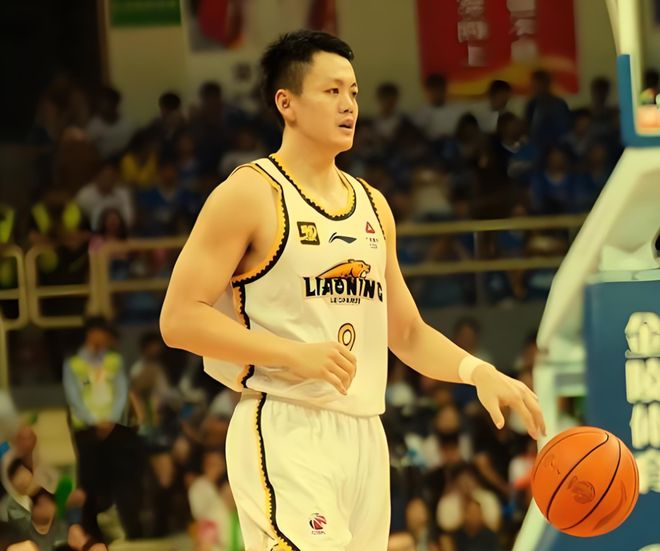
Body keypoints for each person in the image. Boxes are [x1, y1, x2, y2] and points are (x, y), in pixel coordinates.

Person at [160, 30, 545, 550]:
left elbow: (406, 332)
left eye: (354, 92)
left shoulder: (373, 205)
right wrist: (292, 354)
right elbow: (179, 318)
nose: (349, 105)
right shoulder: (250, 192)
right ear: (286, 103)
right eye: (332, 91)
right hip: (286, 424)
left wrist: (478, 372)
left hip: (365, 434)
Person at [62, 317, 142, 540]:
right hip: (86, 430)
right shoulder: (74, 363)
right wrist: (93, 420)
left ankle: (130, 528)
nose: (105, 338)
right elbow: (73, 396)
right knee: (89, 480)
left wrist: (111, 419)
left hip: (114, 427)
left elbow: (121, 391)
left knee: (121, 478)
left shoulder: (114, 360)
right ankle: (90, 531)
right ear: (91, 334)